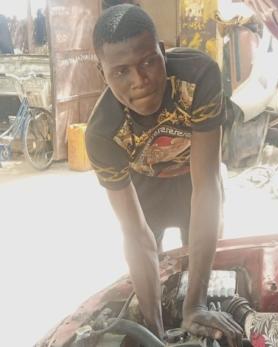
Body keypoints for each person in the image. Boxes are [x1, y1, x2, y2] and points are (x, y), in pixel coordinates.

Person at [85, 4, 243, 346]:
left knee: (199, 266)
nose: (140, 81)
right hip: (145, 186)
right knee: (150, 266)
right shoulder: (101, 134)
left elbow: (207, 185)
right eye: (121, 71)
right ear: (102, 72)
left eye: (147, 62)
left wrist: (196, 306)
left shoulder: (199, 75)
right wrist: (154, 333)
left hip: (194, 175)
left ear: (162, 50)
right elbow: (134, 232)